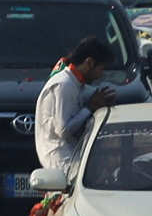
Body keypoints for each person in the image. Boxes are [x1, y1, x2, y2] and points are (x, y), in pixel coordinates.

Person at [33, 37, 120, 177]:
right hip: (63, 162)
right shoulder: (64, 84)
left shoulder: (74, 84)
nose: (100, 75)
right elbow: (63, 130)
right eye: (101, 69)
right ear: (89, 62)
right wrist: (91, 107)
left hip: (71, 158)